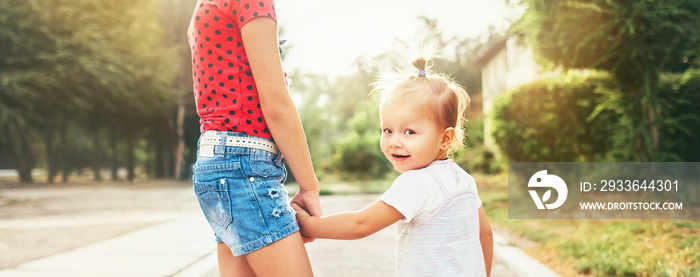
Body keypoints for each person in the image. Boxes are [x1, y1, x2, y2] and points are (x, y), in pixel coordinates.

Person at [292, 55, 493, 276]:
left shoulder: (418, 182)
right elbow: (484, 234)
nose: (395, 141)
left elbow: (361, 224)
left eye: (409, 132)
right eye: (387, 130)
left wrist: (306, 225)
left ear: (445, 138)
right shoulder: (464, 180)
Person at [187, 0, 321, 276]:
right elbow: (275, 104)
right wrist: (309, 187)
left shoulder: (205, 6)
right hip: (242, 165)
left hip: (218, 162)